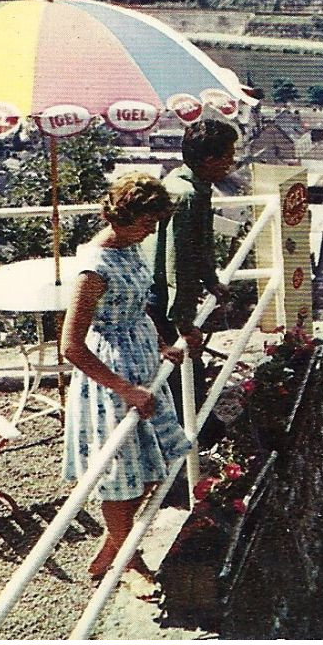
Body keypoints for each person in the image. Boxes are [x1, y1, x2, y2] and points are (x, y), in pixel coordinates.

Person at [61, 173, 191, 591]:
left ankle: (112, 546)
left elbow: (138, 304)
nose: (151, 231)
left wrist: (160, 342)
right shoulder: (93, 268)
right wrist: (125, 388)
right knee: (122, 478)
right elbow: (72, 346)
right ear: (122, 216)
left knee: (152, 468)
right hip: (112, 377)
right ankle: (128, 561)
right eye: (147, 223)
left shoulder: (130, 246)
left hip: (142, 360)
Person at [147, 118, 238, 438]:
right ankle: (195, 432)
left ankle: (196, 424)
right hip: (160, 296)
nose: (233, 162)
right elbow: (178, 265)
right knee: (184, 362)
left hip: (161, 293)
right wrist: (185, 321)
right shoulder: (185, 196)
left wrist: (211, 279)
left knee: (186, 365)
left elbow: (201, 243)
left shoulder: (189, 183)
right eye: (229, 156)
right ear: (210, 161)